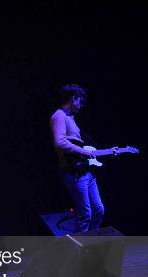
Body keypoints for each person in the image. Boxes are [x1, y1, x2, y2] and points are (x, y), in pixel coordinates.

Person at [50, 83, 105, 232]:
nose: (80, 106)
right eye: (80, 101)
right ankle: (81, 251)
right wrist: (84, 152)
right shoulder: (59, 115)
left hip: (86, 171)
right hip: (74, 173)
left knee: (99, 210)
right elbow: (59, 141)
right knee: (85, 214)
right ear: (74, 98)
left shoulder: (71, 119)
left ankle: (92, 243)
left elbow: (80, 146)